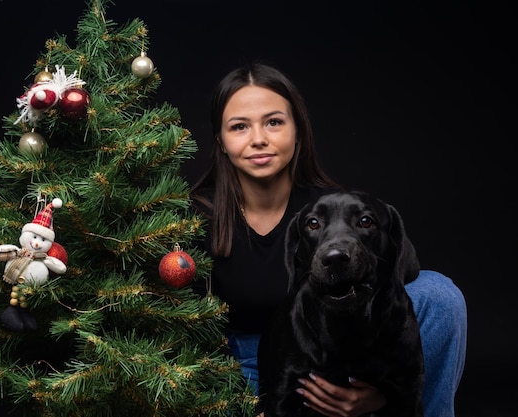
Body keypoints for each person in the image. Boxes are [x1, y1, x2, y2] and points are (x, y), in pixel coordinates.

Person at [189, 62, 467, 417]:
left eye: (274, 122)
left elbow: (390, 279)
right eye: (239, 127)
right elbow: (180, 325)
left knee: (439, 294)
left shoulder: (332, 209)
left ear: (298, 131)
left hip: (335, 354)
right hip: (233, 364)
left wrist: (382, 393)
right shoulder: (193, 218)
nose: (258, 138)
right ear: (222, 142)